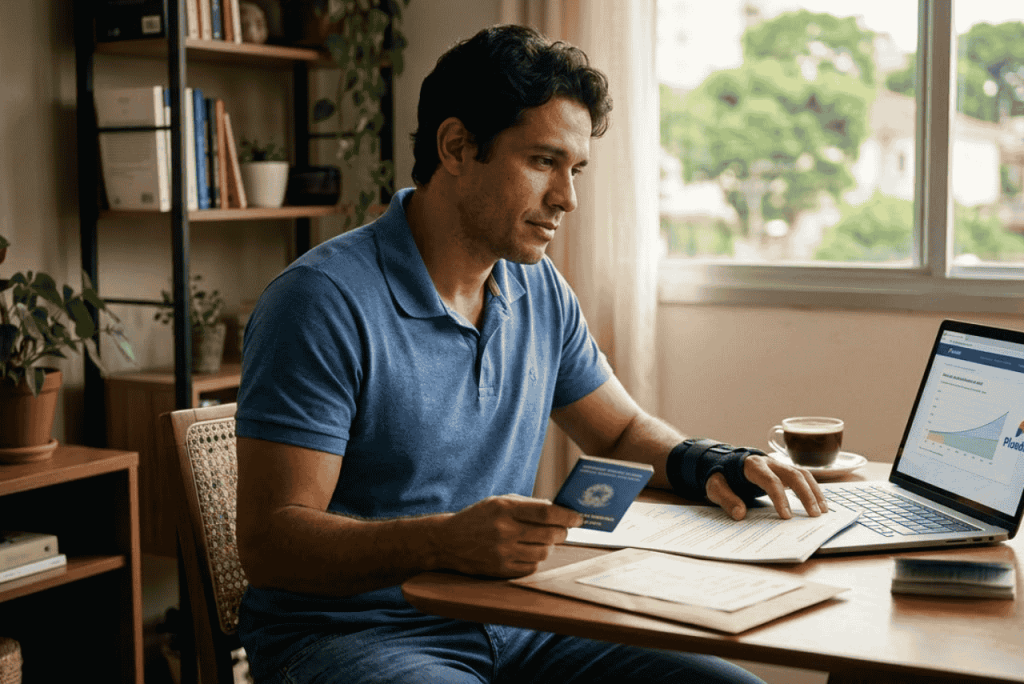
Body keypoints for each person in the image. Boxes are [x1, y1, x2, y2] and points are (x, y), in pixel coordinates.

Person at [234, 24, 828, 684]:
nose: (567, 198)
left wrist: (708, 462)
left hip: (517, 619)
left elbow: (619, 431)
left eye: (575, 170)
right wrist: (442, 540)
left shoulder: (537, 287)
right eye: (544, 162)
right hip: (352, 636)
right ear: (457, 147)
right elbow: (270, 543)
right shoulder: (320, 302)